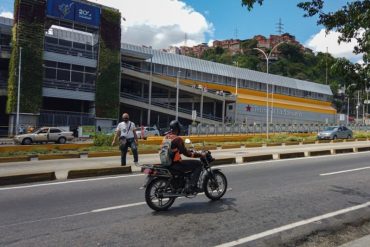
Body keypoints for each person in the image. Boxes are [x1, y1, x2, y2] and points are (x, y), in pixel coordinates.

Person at [163, 120, 205, 193]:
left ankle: (184, 183)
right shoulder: (177, 139)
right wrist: (200, 154)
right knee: (198, 164)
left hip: (167, 162)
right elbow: (186, 154)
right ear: (178, 129)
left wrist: (187, 150)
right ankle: (192, 186)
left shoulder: (166, 137)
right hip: (175, 164)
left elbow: (175, 150)